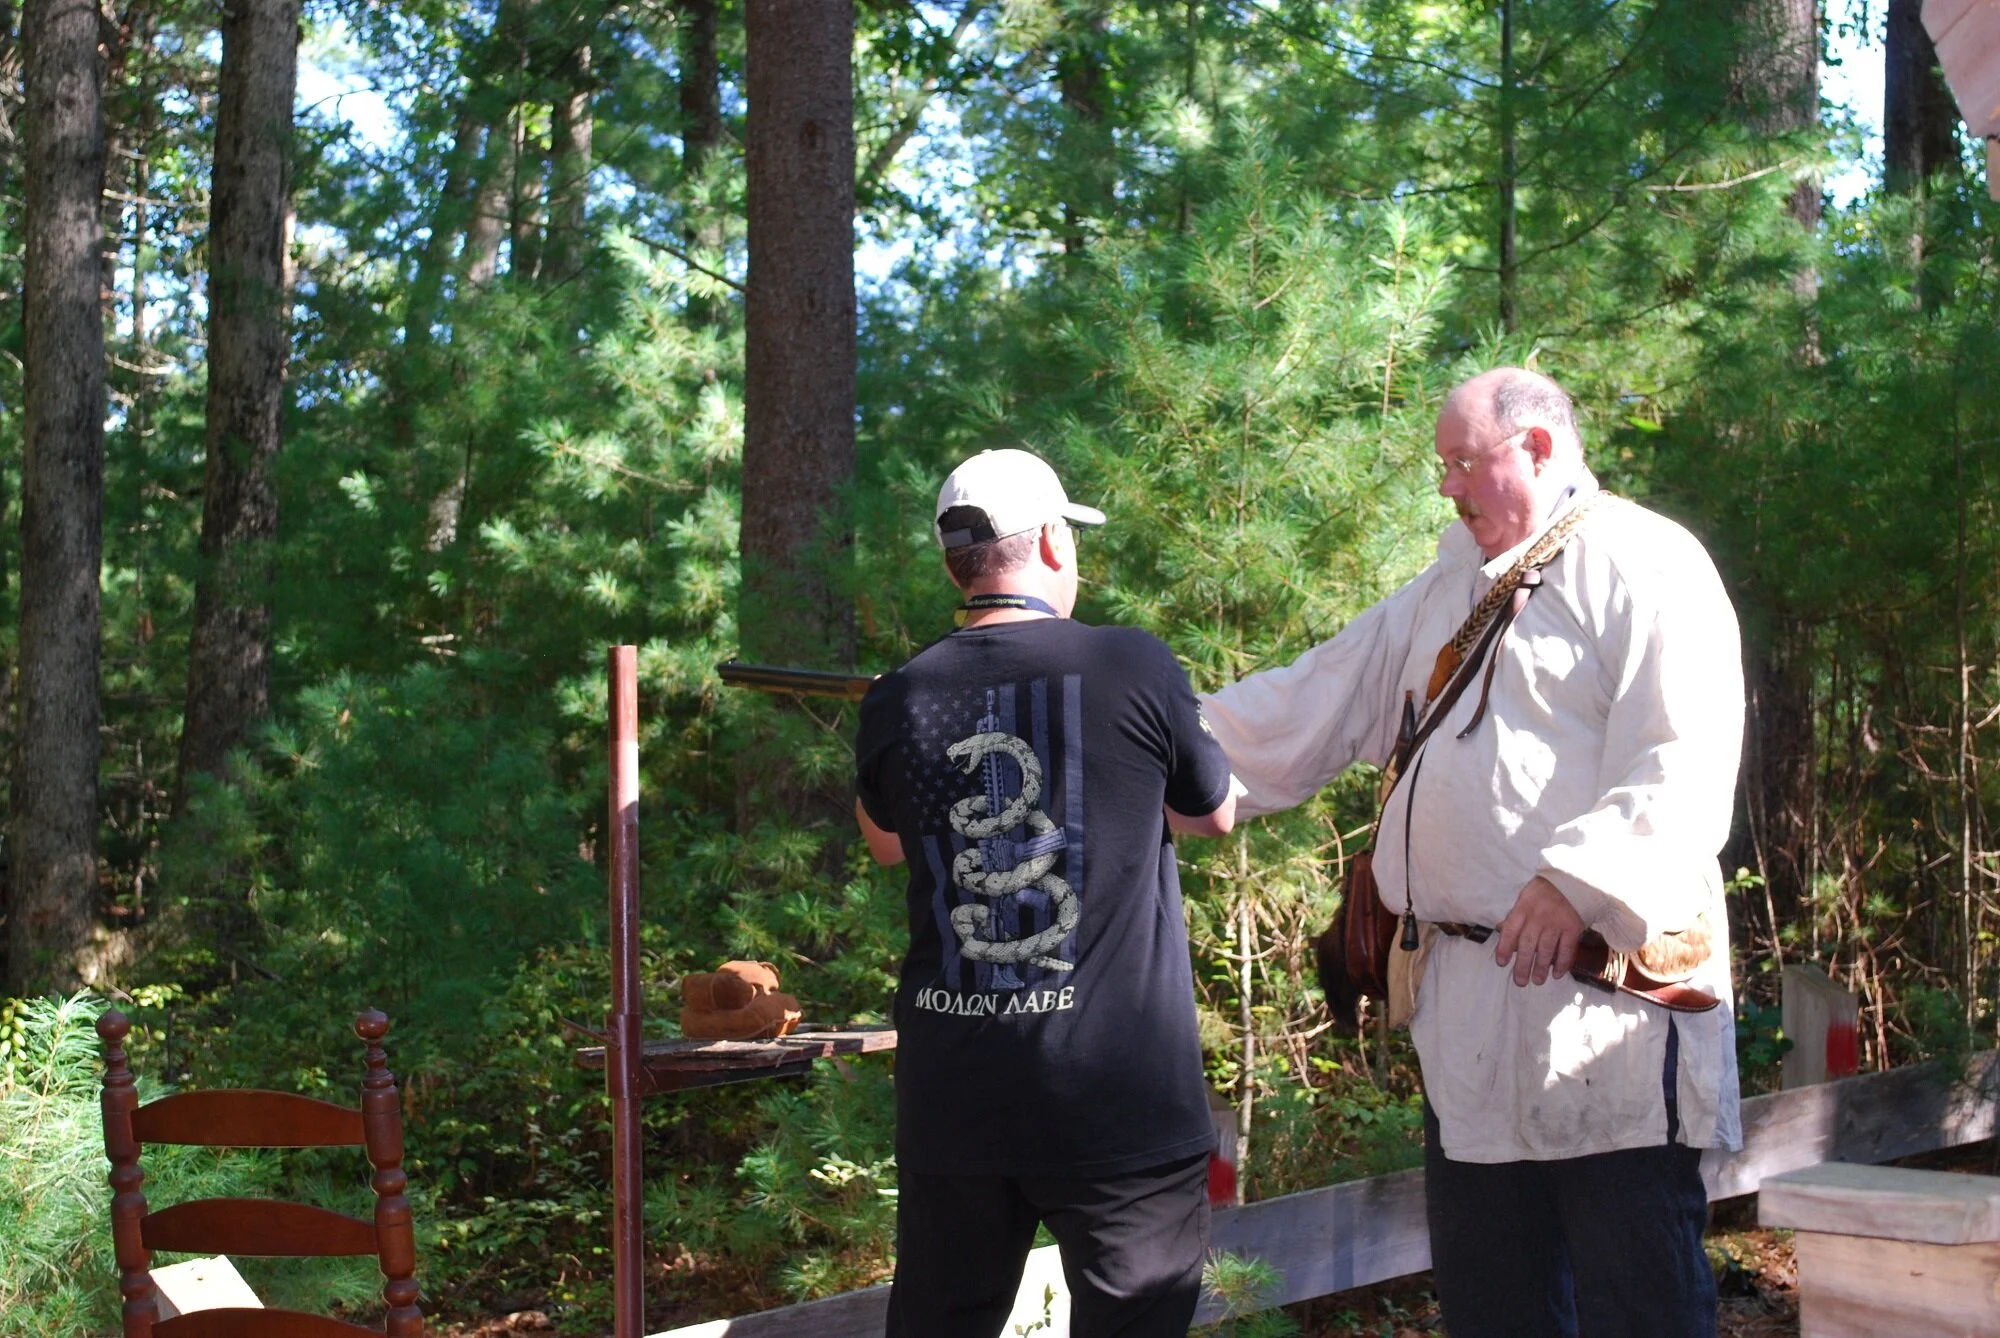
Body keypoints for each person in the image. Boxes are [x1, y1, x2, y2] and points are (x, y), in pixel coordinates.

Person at [1200, 368, 1743, 1338]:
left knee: (1639, 1305)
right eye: (1441, 465)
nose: (1445, 486)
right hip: (1468, 1019)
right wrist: (1138, 740)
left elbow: (1685, 756)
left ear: (1534, 448)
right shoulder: (1445, 590)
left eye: (1461, 462)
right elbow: (1310, 697)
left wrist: (1577, 883)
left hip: (1603, 1009)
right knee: (1495, 1309)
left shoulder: (1645, 561)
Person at [854, 447, 1239, 1338]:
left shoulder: (900, 695)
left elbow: (883, 843)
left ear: (955, 566)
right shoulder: (1133, 666)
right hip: (1116, 1098)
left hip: (957, 1097)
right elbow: (1212, 814)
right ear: (1057, 544)